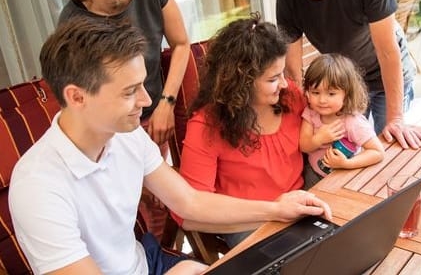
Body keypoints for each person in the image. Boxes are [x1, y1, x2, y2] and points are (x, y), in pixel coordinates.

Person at [8, 16, 331, 275]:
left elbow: (188, 203)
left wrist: (278, 210)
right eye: (129, 91)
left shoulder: (126, 136)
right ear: (77, 96)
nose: (147, 101)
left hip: (147, 261)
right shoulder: (38, 187)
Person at [58, 0, 191, 238]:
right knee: (139, 206)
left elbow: (181, 43)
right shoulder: (73, 22)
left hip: (156, 109)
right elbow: (84, 106)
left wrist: (166, 104)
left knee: (167, 203)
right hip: (112, 129)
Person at [274, 0, 421, 150]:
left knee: (388, 143)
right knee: (346, 149)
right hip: (343, 84)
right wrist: (307, 119)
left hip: (384, 74)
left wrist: (395, 119)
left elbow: (387, 52)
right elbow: (293, 71)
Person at [173, 13, 307, 247]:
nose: (285, 84)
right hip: (249, 223)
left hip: (300, 206)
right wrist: (274, 211)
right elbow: (187, 215)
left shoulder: (290, 97)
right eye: (274, 78)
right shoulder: (207, 125)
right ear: (241, 82)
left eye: (283, 74)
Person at [299, 53, 385, 189]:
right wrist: (319, 138)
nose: (322, 100)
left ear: (347, 94)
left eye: (331, 94)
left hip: (345, 177)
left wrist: (346, 164)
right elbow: (303, 145)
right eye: (315, 92)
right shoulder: (311, 113)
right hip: (314, 175)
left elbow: (377, 152)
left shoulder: (352, 121)